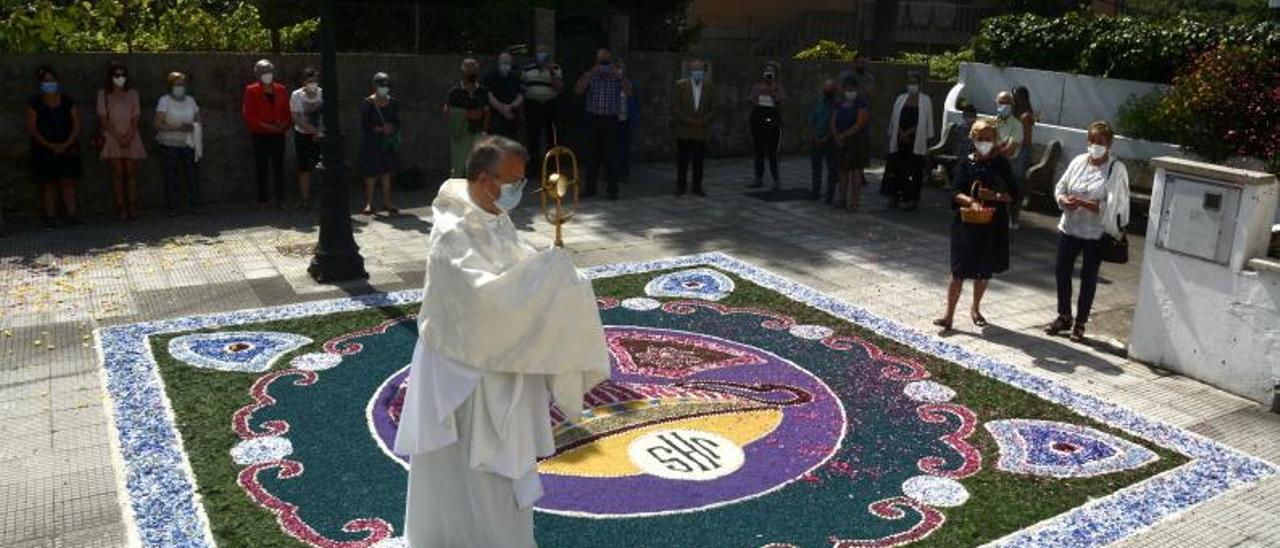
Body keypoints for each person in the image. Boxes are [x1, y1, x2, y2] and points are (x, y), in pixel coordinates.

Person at [394, 135, 610, 547]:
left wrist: (557, 273)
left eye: (521, 181)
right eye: (510, 181)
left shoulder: (494, 214)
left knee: (498, 486)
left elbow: (516, 263)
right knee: (468, 476)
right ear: (480, 179)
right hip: (466, 377)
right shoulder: (452, 231)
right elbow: (482, 302)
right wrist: (544, 281)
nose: (517, 190)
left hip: (501, 365)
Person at [1046, 121, 1130, 343]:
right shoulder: (1078, 162)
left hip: (1095, 233)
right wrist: (1064, 199)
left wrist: (1083, 203)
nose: (1095, 145)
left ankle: (1081, 322)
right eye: (1092, 141)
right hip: (1070, 227)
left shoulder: (1115, 169)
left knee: (1088, 277)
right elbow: (1060, 187)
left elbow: (1113, 206)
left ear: (1109, 144)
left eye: (1100, 142)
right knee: (1061, 270)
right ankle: (1064, 315)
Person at [934, 119, 1015, 331]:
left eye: (988, 139)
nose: (983, 142)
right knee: (958, 269)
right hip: (966, 220)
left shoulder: (1001, 164)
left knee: (983, 270)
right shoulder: (965, 162)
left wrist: (994, 196)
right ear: (973, 139)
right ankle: (949, 315)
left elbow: (1014, 194)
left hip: (991, 223)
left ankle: (976, 308)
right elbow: (954, 191)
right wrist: (971, 201)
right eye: (979, 139)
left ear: (995, 139)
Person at [26, 65, 82, 229]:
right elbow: (32, 128)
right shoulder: (34, 103)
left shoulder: (67, 100)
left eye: (52, 80)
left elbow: (76, 124)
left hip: (68, 146)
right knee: (49, 183)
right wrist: (50, 145)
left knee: (68, 181)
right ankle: (50, 217)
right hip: (44, 148)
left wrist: (66, 144)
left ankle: (72, 215)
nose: (49, 83)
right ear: (40, 84)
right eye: (45, 81)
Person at [574, 48, 632, 200]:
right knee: (591, 155)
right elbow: (578, 89)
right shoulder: (591, 75)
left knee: (611, 155)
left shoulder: (616, 77)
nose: (604, 65)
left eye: (606, 62)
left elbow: (629, 92)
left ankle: (613, 190)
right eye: (602, 62)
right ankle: (590, 188)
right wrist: (593, 71)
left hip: (611, 120)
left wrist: (619, 76)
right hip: (593, 119)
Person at [97, 61, 147, 221]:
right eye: (117, 75)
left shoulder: (133, 93)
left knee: (130, 172)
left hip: (131, 135)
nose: (120, 78)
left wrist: (128, 135)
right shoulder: (103, 94)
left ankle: (132, 205)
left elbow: (136, 116)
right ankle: (121, 206)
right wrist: (118, 137)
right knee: (117, 173)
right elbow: (103, 118)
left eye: (123, 75)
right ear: (111, 77)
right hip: (113, 136)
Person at [242, 59, 291, 210]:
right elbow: (248, 115)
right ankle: (262, 200)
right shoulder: (251, 90)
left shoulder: (281, 89)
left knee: (278, 168)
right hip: (261, 135)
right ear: (257, 74)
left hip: (278, 133)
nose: (267, 74)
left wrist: (283, 124)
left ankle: (281, 200)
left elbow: (287, 112)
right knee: (261, 168)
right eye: (263, 72)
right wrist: (267, 126)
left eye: (269, 71)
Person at [884, 71, 935, 210]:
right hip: (899, 140)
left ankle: (912, 199)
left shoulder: (925, 100)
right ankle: (895, 196)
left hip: (916, 141)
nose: (912, 85)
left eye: (915, 83)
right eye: (910, 83)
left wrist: (911, 132)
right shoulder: (901, 98)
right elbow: (894, 118)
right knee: (897, 169)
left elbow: (927, 121)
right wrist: (900, 132)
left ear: (919, 84)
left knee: (914, 170)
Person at [154, 72, 201, 216]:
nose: (180, 87)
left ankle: (194, 205)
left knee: (191, 175)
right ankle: (172, 207)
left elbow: (198, 119)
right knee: (171, 176)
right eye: (177, 85)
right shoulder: (164, 101)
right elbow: (157, 124)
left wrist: (193, 126)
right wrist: (177, 128)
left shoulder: (191, 101)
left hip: (187, 143)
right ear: (170, 86)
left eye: (182, 84)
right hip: (169, 144)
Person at [671, 59, 716, 197]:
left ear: (704, 72)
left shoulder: (710, 87)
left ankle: (697, 186)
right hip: (684, 130)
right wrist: (689, 120)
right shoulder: (680, 86)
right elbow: (675, 107)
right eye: (695, 70)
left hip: (701, 130)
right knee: (682, 160)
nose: (698, 73)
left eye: (700, 70)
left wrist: (701, 121)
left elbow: (713, 109)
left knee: (699, 160)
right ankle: (681, 186)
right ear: (690, 71)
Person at [359, 72, 401, 215]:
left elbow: (397, 121)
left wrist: (391, 128)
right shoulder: (368, 103)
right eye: (381, 85)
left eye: (386, 85)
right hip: (371, 141)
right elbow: (364, 124)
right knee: (370, 172)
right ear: (375, 86)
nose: (384, 88)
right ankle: (369, 203)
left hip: (387, 141)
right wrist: (377, 129)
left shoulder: (393, 102)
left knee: (386, 171)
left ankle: (387, 201)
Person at [521, 45, 563, 176]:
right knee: (532, 137)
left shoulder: (555, 68)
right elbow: (522, 89)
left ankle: (552, 167)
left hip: (549, 105)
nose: (542, 60)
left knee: (552, 136)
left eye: (544, 57)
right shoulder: (527, 69)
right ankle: (533, 169)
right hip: (532, 105)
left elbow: (559, 88)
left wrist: (551, 73)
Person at [446, 59, 490, 178]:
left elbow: (487, 113)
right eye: (469, 70)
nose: (472, 73)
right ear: (463, 72)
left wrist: (484, 133)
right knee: (458, 170)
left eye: (474, 70)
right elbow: (447, 111)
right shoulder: (455, 92)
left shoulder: (482, 91)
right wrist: (465, 114)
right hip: (460, 135)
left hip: (477, 133)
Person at [830, 79, 870, 212]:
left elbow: (859, 124)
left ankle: (855, 202)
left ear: (857, 90)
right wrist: (836, 135)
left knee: (855, 173)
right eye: (847, 89)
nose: (849, 92)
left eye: (852, 89)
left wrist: (844, 135)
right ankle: (842, 199)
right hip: (841, 141)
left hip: (857, 142)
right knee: (842, 172)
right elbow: (833, 120)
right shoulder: (839, 103)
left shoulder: (861, 104)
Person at [748, 62, 786, 189]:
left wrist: (772, 90)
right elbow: (752, 99)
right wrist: (761, 92)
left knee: (773, 152)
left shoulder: (778, 86)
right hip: (758, 118)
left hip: (772, 120)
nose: (768, 73)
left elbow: (780, 100)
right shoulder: (757, 85)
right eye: (767, 70)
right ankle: (758, 178)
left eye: (771, 71)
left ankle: (776, 180)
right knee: (758, 151)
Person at [290, 67, 324, 210]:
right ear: (303, 82)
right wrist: (313, 131)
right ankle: (305, 199)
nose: (313, 84)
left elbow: (326, 115)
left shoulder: (323, 93)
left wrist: (320, 132)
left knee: (322, 167)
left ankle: (324, 197)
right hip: (303, 134)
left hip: (321, 134)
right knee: (304, 168)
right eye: (310, 81)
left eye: (315, 81)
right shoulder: (296, 95)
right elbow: (296, 118)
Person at [992, 90, 1024, 228]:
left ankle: (1013, 218)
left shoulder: (1017, 125)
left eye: (1008, 103)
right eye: (1001, 102)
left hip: (1010, 163)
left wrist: (994, 147)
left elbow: (1009, 151)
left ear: (1013, 105)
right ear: (996, 104)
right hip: (993, 162)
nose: (1004, 105)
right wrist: (1000, 146)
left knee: (1012, 189)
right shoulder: (992, 123)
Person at [807, 79, 839, 201]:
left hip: (831, 140)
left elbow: (837, 123)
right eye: (827, 88)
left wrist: (828, 137)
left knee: (832, 169)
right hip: (817, 139)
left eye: (831, 88)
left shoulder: (837, 104)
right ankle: (815, 192)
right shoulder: (817, 102)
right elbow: (811, 121)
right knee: (816, 168)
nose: (828, 91)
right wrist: (816, 137)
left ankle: (829, 195)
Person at [1010, 85, 1035, 228]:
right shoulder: (1015, 113)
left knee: (1017, 184)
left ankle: (1015, 218)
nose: (1014, 98)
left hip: (1020, 152)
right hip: (1014, 150)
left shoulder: (1025, 116)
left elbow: (1026, 140)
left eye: (1016, 96)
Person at [485, 51, 524, 141]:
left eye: (508, 62)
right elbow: (489, 95)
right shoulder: (491, 76)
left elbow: (520, 96)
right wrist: (502, 109)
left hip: (512, 117)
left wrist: (511, 107)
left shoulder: (515, 78)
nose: (506, 65)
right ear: (498, 62)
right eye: (504, 62)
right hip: (495, 118)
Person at [617, 57, 640, 184]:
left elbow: (631, 95)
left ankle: (624, 172)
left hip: (625, 119)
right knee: (613, 147)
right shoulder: (611, 82)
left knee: (624, 147)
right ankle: (613, 171)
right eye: (617, 67)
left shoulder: (630, 82)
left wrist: (622, 81)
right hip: (613, 119)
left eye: (621, 67)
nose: (619, 70)